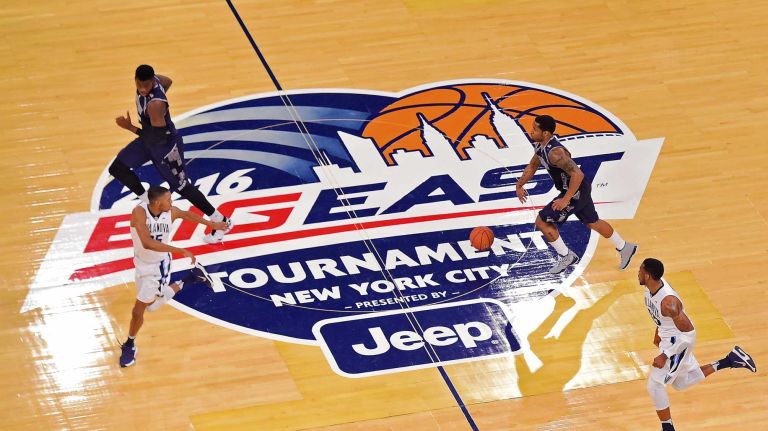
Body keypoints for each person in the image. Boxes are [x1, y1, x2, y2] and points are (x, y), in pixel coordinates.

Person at [112, 64, 232, 244]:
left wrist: (129, 127)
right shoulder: (157, 81)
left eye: (147, 86)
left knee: (183, 187)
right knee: (118, 168)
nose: (143, 90)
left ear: (152, 81)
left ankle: (220, 220)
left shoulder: (155, 105)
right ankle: (149, 204)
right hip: (149, 140)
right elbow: (168, 81)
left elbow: (158, 137)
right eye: (140, 85)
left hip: (166, 147)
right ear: (136, 80)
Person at [639, 258, 756, 431]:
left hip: (677, 344)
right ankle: (730, 360)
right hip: (667, 339)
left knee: (654, 384)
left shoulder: (668, 303)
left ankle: (668, 428)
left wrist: (666, 354)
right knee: (680, 383)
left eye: (640, 270)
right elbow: (664, 320)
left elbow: (689, 334)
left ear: (648, 276)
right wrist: (658, 332)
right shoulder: (650, 290)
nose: (638, 273)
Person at [119, 185, 227, 368]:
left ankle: (129, 345)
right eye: (168, 199)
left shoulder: (170, 211)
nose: (171, 202)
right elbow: (146, 242)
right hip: (141, 263)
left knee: (138, 311)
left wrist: (212, 224)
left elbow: (186, 214)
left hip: (158, 266)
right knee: (151, 308)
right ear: (156, 202)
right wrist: (179, 250)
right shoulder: (139, 212)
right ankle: (192, 277)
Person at [515, 114, 637, 274]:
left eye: (535, 129)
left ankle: (566, 256)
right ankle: (624, 246)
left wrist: (565, 199)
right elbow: (532, 165)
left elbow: (577, 175)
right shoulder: (540, 146)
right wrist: (519, 185)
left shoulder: (555, 153)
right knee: (592, 222)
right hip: (580, 189)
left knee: (542, 222)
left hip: (575, 191)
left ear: (545, 133)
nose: (531, 131)